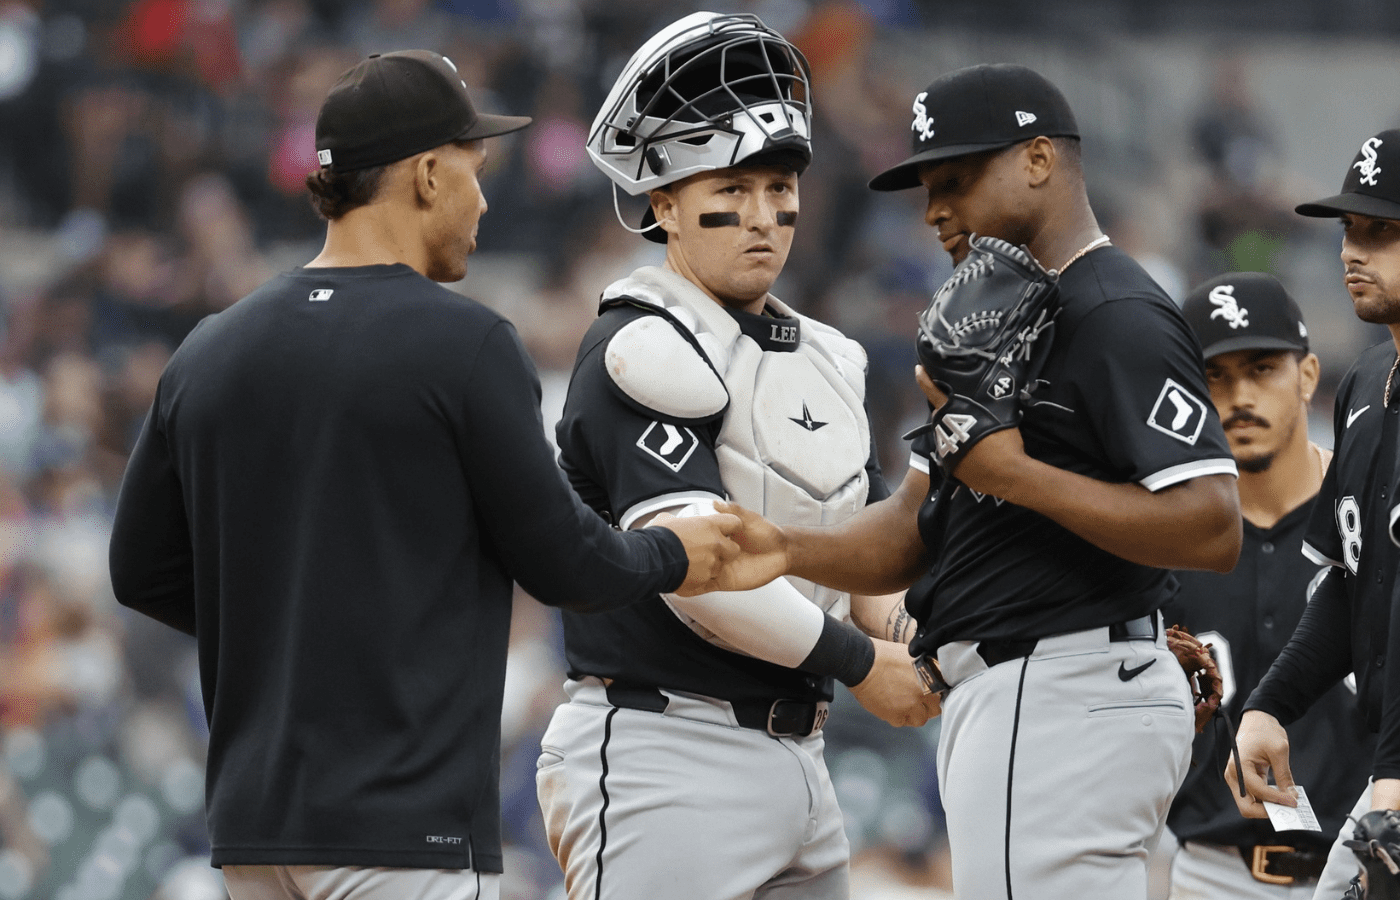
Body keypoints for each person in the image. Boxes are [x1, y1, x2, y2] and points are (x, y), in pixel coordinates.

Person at [107, 49, 762, 900]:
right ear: (423, 174)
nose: (483, 198)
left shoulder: (209, 348)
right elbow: (566, 564)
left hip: (253, 833)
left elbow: (139, 570)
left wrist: (288, 630)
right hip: (401, 834)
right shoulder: (465, 345)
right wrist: (674, 553)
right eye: (472, 169)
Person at [719, 63, 1244, 900]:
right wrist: (784, 549)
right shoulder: (998, 322)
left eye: (958, 181)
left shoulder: (1112, 311)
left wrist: (1018, 475)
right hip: (1030, 691)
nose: (934, 212)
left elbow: (1212, 526)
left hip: (1061, 685)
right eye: (927, 187)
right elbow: (911, 530)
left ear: (1039, 159)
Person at [533, 13, 937, 900]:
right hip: (665, 754)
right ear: (663, 205)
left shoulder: (826, 355)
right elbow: (704, 576)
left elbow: (858, 544)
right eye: (732, 185)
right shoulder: (640, 346)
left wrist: (916, 636)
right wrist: (868, 665)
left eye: (777, 184)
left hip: (800, 752)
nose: (763, 214)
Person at [1163, 272, 1373, 899]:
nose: (1239, 396)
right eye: (1215, 377)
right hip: (1211, 872)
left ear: (1308, 376)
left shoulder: (1372, 515)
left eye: (1261, 369)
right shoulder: (1160, 537)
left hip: (1366, 865)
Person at [1231, 128, 1400, 899]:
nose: (1351, 251)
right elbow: (1351, 581)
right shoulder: (1367, 385)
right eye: (1349, 229)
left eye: (1383, 231)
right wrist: (1272, 704)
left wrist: (1394, 782)